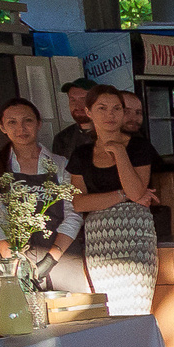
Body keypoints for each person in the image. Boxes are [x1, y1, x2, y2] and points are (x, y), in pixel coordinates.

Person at [67, 86, 159, 317]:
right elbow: (79, 203)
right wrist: (122, 195)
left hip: (135, 234)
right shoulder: (81, 154)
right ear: (89, 112)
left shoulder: (138, 146)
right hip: (99, 238)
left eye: (117, 109)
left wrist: (119, 152)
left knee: (136, 308)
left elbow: (137, 192)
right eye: (102, 108)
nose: (110, 115)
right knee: (110, 312)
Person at [0, 96, 87, 294]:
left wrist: (52, 258)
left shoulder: (61, 164)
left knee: (71, 319)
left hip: (63, 256)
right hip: (12, 261)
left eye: (27, 120)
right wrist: (15, 261)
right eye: (12, 122)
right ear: (2, 127)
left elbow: (74, 212)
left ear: (38, 124)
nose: (21, 128)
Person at [51, 78, 95, 159]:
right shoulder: (62, 139)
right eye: (73, 100)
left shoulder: (112, 133)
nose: (78, 105)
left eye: (83, 99)